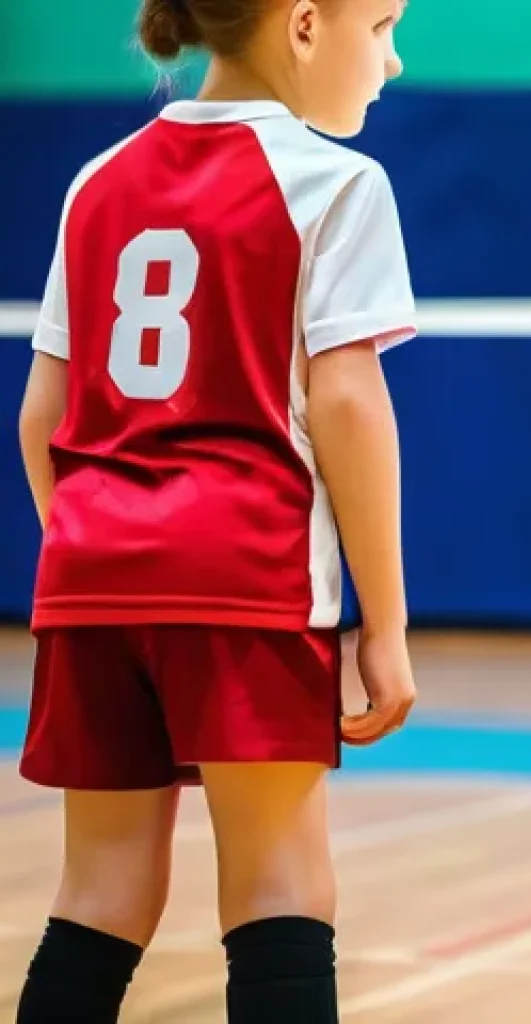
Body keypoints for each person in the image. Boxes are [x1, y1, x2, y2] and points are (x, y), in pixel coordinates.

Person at [15, 0, 417, 1020]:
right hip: (244, 572)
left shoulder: (96, 182)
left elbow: (40, 418)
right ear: (304, 24)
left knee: (98, 894)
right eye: (381, 27)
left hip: (90, 575)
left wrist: (97, 551)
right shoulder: (336, 182)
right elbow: (347, 403)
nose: (394, 59)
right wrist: (389, 623)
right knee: (282, 884)